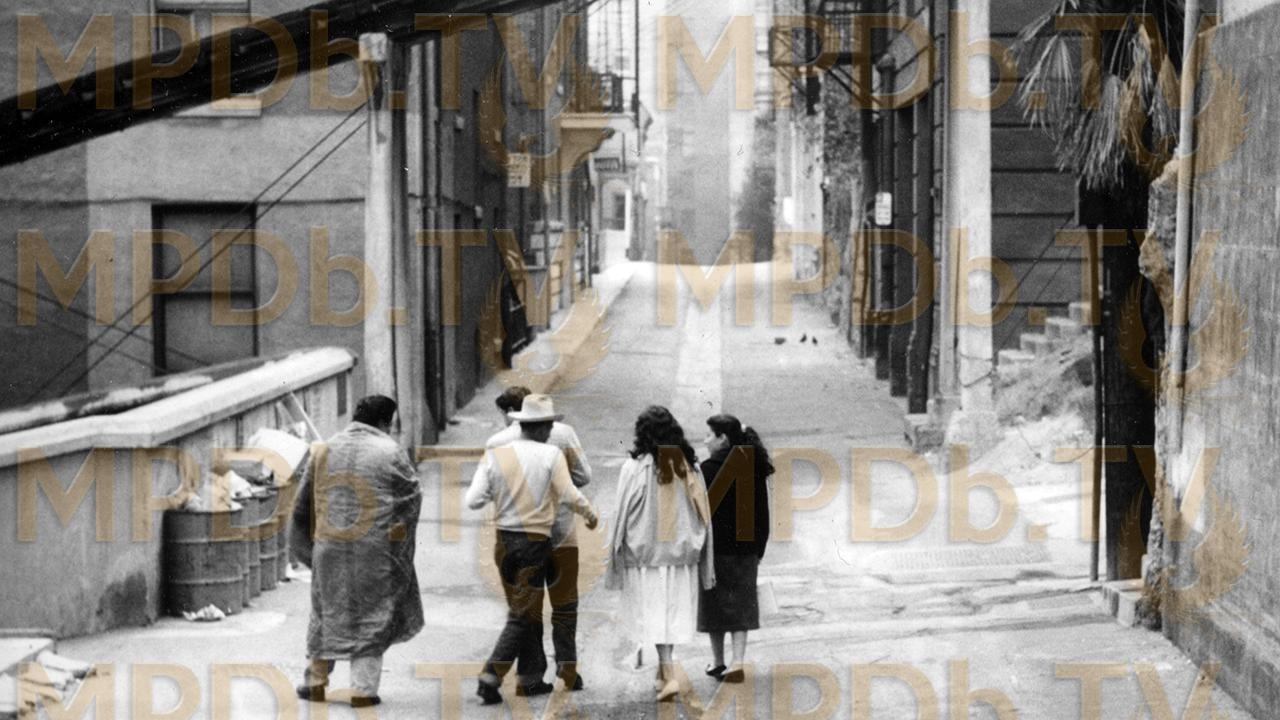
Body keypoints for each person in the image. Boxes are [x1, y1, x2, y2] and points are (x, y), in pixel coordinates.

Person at [466, 394, 600, 706]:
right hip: (535, 542)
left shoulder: (497, 453)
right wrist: (590, 514)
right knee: (525, 614)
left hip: (504, 541)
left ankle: (529, 677)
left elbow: (473, 500)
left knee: (523, 610)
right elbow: (569, 493)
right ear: (540, 427)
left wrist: (503, 494)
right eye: (548, 426)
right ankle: (491, 675)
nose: (551, 430)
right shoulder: (551, 454)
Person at [291, 395, 423, 708]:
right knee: (371, 614)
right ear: (385, 422)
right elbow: (411, 500)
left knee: (326, 613)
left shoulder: (323, 449)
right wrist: (397, 543)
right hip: (374, 551)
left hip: (329, 548)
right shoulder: (391, 452)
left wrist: (310, 547)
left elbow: (302, 505)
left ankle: (314, 683)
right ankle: (363, 690)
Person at [607, 406, 715, 702]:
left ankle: (669, 675)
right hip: (680, 555)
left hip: (646, 556)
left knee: (653, 614)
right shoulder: (687, 465)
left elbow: (621, 511)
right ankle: (663, 673)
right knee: (670, 614)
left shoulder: (634, 467)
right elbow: (702, 510)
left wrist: (616, 549)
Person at [697, 414, 773, 684]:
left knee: (713, 604)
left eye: (709, 435)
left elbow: (700, 513)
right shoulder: (751, 464)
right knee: (741, 603)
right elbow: (762, 511)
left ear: (722, 439)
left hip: (715, 549)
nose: (705, 440)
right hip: (745, 547)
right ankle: (738, 661)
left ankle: (718, 661)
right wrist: (759, 547)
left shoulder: (706, 469)